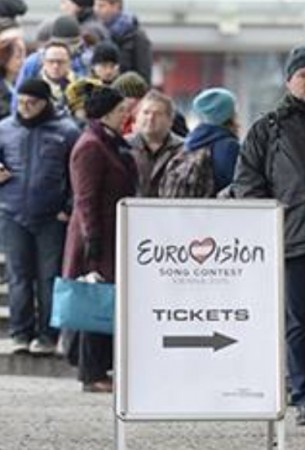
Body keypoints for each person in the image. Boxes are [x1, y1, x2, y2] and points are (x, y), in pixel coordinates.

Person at [232, 46, 305, 426]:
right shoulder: (269, 127)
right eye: (302, 75)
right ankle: (304, 397)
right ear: (289, 81)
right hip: (291, 239)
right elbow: (246, 182)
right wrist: (272, 220)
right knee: (296, 323)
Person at [62, 84, 136, 393]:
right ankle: (91, 373)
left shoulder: (109, 141)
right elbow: (85, 198)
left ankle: (97, 368)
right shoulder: (91, 146)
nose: (125, 116)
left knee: (105, 299)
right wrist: (92, 239)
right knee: (96, 300)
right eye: (121, 111)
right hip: (96, 236)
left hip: (110, 233)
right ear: (107, 114)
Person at [0, 79, 80, 355]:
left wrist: (68, 208)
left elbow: (76, 176)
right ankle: (21, 332)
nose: (25, 107)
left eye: (31, 102)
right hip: (12, 213)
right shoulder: (5, 129)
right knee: (18, 276)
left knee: (49, 277)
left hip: (51, 217)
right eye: (21, 102)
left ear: (45, 102)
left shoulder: (66, 131)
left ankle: (48, 334)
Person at [126, 90, 182, 197]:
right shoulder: (123, 146)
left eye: (158, 114)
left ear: (170, 120)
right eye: (146, 112)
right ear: (136, 117)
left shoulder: (184, 150)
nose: (150, 118)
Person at [185, 87, 239, 194]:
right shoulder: (229, 147)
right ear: (228, 115)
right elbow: (236, 185)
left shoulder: (189, 143)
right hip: (219, 208)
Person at [93, 0, 153, 83]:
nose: (96, 10)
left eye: (101, 6)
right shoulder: (98, 33)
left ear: (116, 6)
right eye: (95, 5)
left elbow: (144, 77)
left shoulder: (136, 37)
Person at [39, 41, 76, 108]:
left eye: (60, 62)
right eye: (51, 61)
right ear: (43, 62)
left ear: (69, 62)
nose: (55, 66)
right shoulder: (34, 86)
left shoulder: (80, 84)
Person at [0, 26, 25, 119]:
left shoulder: (19, 82)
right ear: (5, 57)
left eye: (24, 55)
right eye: (18, 56)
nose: (23, 61)